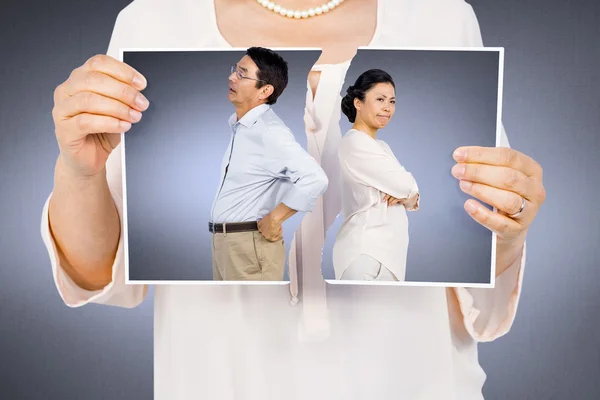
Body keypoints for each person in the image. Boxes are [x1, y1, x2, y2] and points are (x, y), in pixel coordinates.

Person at [42, 0, 546, 399]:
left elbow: (477, 270)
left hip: (413, 379)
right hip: (223, 379)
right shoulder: (153, 21)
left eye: (243, 74)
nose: (233, 80)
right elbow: (97, 272)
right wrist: (78, 170)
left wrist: (511, 223)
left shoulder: (441, 18)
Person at [210, 47, 328, 281]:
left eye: (242, 74)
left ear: (264, 90)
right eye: (235, 70)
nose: (232, 77)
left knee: (255, 318)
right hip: (227, 245)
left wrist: (276, 218)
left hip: (249, 247)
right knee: (228, 318)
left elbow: (315, 179)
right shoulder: (242, 127)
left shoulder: (269, 131)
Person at [333, 69, 420, 282]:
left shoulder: (381, 146)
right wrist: (409, 195)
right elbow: (406, 185)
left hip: (388, 255)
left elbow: (409, 193)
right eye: (380, 99)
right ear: (358, 103)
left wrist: (410, 196)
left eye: (392, 101)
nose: (387, 108)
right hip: (366, 253)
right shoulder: (354, 143)